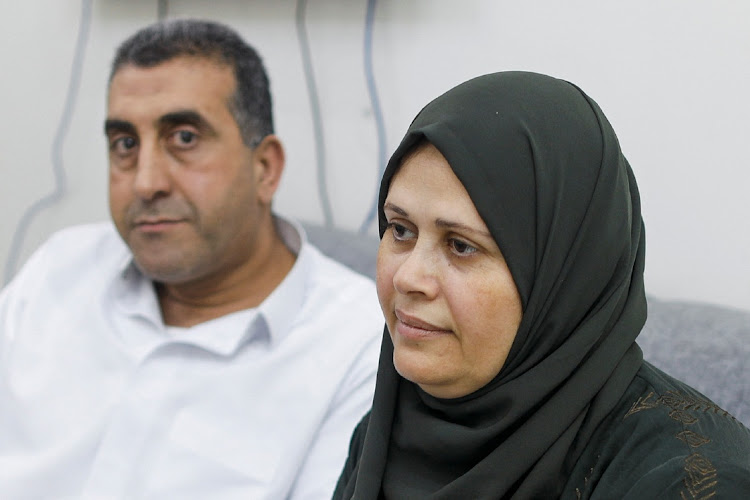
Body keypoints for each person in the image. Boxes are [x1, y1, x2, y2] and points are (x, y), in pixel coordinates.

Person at [0, 19, 382, 498]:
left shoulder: (360, 348)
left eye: (184, 138)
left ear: (265, 168)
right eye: (125, 144)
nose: (145, 182)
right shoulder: (60, 268)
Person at [333, 71, 750, 499]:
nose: (407, 277)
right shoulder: (388, 429)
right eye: (400, 230)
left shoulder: (690, 480)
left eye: (461, 245)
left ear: (563, 280)